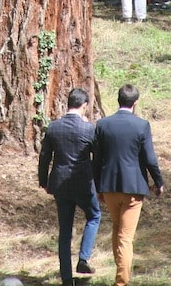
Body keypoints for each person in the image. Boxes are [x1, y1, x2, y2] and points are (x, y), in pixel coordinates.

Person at [93, 84, 164, 286]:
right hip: (133, 188)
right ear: (136, 102)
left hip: (109, 187)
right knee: (125, 236)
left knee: (117, 229)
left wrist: (98, 186)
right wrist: (158, 182)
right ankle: (122, 282)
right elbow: (150, 159)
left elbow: (96, 159)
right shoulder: (141, 125)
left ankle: (120, 271)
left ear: (118, 99)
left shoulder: (103, 124)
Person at [38, 88, 101, 286]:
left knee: (65, 230)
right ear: (84, 106)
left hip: (60, 184)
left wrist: (44, 180)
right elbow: (98, 159)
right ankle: (83, 258)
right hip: (83, 183)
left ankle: (66, 278)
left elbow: (44, 157)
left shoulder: (54, 127)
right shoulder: (89, 129)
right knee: (94, 216)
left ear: (68, 104)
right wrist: (98, 184)